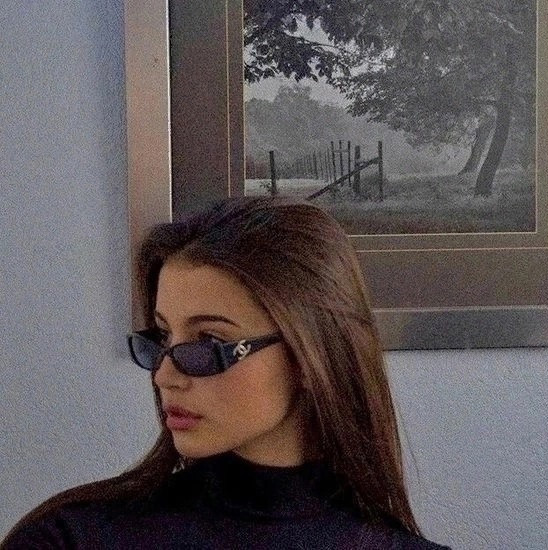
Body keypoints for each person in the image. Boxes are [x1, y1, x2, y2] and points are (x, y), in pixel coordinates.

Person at [2, 196, 450, 549]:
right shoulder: (67, 539)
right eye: (163, 337)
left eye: (208, 344)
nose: (164, 377)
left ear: (309, 356)